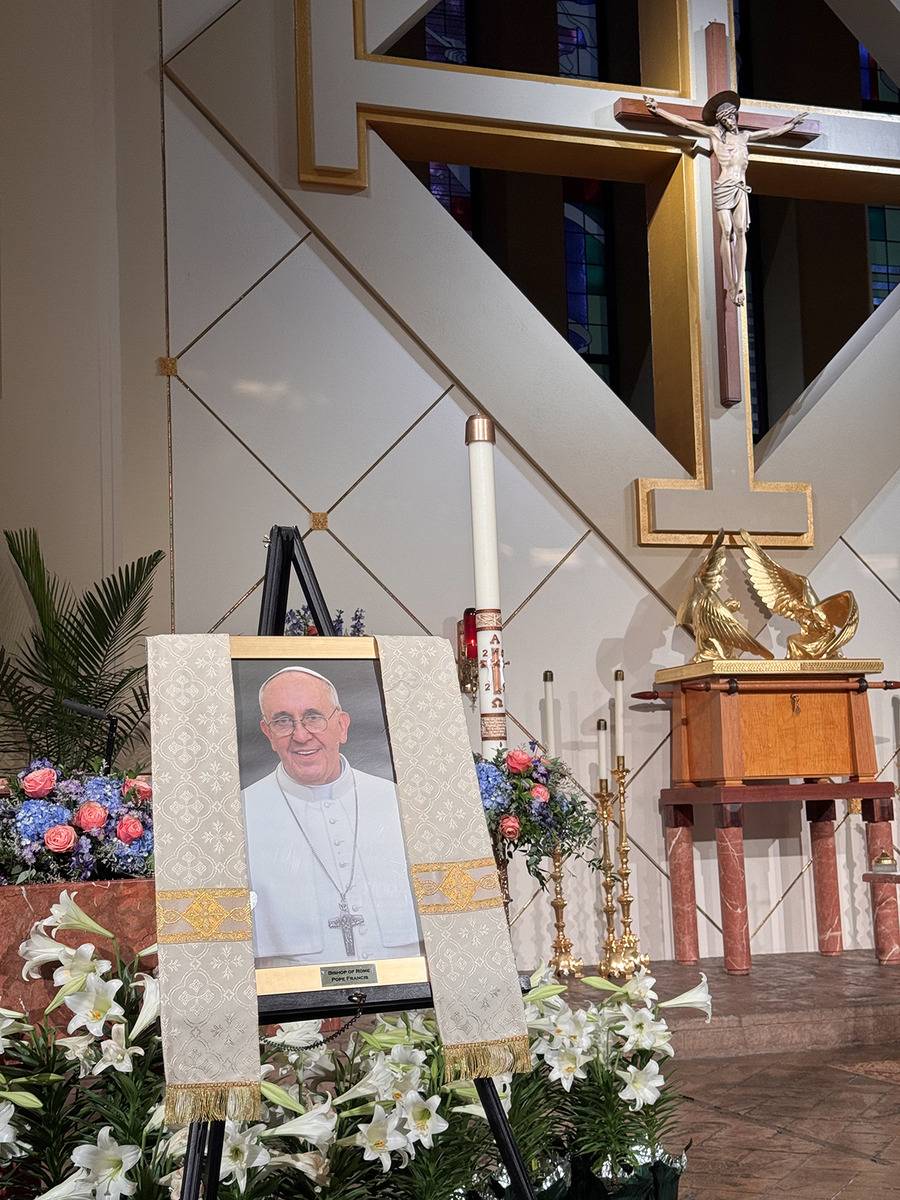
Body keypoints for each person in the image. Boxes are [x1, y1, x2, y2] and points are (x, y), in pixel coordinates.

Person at [242, 665, 422, 967]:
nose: (300, 735)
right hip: (293, 1008)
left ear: (342, 725)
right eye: (283, 722)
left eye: (313, 717)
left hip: (403, 1002)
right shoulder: (240, 813)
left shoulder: (400, 802)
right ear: (268, 733)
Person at [644, 91, 808, 306]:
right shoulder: (713, 133)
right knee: (727, 231)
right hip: (724, 186)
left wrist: (791, 125)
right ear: (720, 120)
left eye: (732, 117)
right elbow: (684, 123)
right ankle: (731, 283)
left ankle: (740, 283)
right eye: (726, 118)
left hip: (740, 187)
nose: (730, 121)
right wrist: (658, 110)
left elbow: (770, 133)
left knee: (741, 231)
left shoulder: (744, 137)